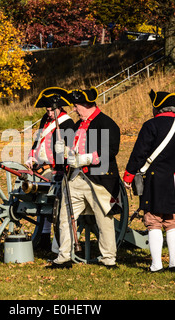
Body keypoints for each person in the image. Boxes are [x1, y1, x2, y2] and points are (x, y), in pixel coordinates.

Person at [123, 90, 175, 273]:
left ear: (157, 108)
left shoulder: (151, 125)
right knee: (172, 221)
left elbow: (139, 153)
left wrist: (128, 175)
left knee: (153, 221)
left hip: (156, 180)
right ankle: (173, 264)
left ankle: (156, 265)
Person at [47, 87, 122, 269]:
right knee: (64, 217)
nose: (74, 109)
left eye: (77, 106)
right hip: (75, 178)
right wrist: (63, 151)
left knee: (104, 220)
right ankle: (64, 256)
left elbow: (110, 151)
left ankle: (108, 258)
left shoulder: (107, 123)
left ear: (86, 105)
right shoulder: (76, 125)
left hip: (99, 180)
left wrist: (87, 158)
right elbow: (71, 150)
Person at [25, 87, 75, 251]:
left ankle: (49, 238)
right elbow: (37, 140)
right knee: (40, 198)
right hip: (41, 166)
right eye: (47, 110)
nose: (49, 113)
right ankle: (44, 237)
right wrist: (32, 155)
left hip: (56, 168)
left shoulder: (67, 123)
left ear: (59, 108)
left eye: (51, 110)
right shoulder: (45, 120)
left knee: (47, 198)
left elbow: (69, 149)